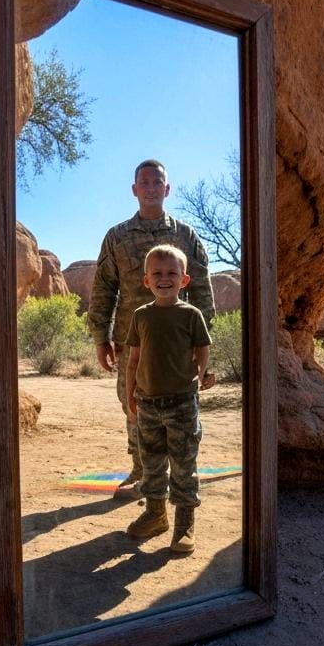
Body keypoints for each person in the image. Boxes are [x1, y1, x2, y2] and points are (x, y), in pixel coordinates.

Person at [88, 159, 214, 498]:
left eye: (157, 182)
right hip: (132, 341)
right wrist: (101, 337)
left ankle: (180, 475)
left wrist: (204, 348)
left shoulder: (185, 235)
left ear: (167, 189)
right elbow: (103, 288)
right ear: (134, 190)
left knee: (180, 406)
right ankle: (142, 471)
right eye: (144, 182)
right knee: (134, 404)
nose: (150, 187)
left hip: (177, 341)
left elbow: (201, 288)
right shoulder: (117, 237)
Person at [124, 245, 214, 553]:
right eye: (157, 273)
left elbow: (202, 349)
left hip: (181, 403)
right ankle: (155, 514)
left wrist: (202, 372)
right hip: (147, 403)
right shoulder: (141, 316)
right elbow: (133, 360)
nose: (165, 278)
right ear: (146, 280)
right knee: (151, 462)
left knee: (183, 464)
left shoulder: (191, 315)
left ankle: (184, 523)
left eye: (172, 273)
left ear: (184, 280)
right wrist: (130, 397)